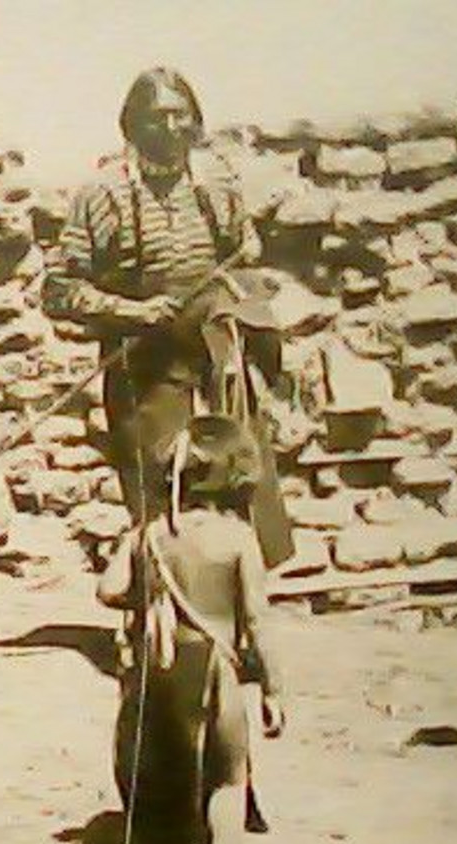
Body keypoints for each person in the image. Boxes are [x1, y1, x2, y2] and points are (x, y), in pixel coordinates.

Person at [43, 66, 293, 567]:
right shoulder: (101, 196)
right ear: (133, 126)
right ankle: (164, 603)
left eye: (182, 115)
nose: (172, 128)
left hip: (213, 348)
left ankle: (244, 592)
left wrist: (246, 248)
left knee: (238, 465)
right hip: (145, 359)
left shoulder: (216, 185)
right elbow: (58, 289)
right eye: (158, 117)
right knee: (159, 483)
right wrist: (132, 312)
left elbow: (241, 249)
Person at [97, 415, 284, 844]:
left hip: (160, 665)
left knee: (163, 761)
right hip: (216, 667)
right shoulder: (238, 539)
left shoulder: (150, 534)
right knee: (228, 775)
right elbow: (258, 622)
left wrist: (151, 599)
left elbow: (108, 590)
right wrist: (273, 690)